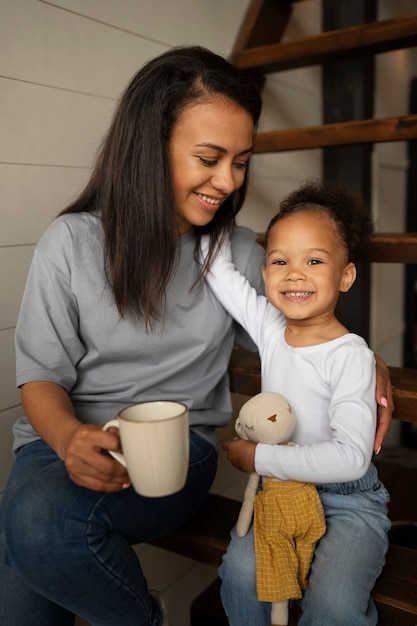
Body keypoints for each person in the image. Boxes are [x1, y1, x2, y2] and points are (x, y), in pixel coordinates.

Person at [0, 45, 391, 626]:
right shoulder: (73, 242)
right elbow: (41, 377)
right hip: (57, 445)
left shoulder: (234, 254)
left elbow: (305, 319)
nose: (228, 181)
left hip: (178, 453)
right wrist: (68, 439)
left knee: (33, 526)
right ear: (148, 146)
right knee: (30, 529)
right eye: (209, 158)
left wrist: (367, 363)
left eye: (240, 161)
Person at [200, 180, 391, 626]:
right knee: (241, 577)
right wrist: (219, 205)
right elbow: (217, 272)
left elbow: (350, 458)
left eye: (315, 261)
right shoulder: (270, 327)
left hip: (349, 502)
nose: (295, 273)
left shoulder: (351, 357)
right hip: (279, 494)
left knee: (334, 607)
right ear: (265, 274)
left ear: (345, 275)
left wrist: (258, 456)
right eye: (280, 261)